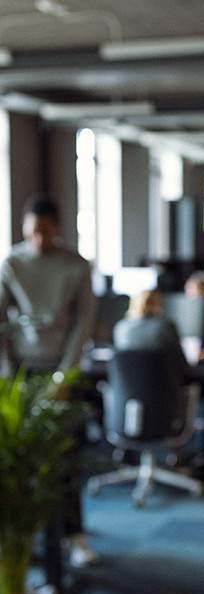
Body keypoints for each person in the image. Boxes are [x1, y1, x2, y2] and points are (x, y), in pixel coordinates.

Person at [0, 193, 99, 568]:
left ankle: (74, 535)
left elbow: (82, 323)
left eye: (45, 232)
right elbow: (2, 322)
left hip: (62, 369)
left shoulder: (75, 266)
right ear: (24, 229)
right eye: (32, 232)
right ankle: (30, 534)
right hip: (21, 372)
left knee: (64, 457)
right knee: (21, 460)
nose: (39, 239)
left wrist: (64, 375)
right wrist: (9, 375)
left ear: (56, 228)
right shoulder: (11, 262)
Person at [113, 288, 190, 378]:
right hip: (163, 386)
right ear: (158, 304)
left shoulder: (120, 327)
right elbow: (182, 365)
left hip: (126, 390)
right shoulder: (165, 326)